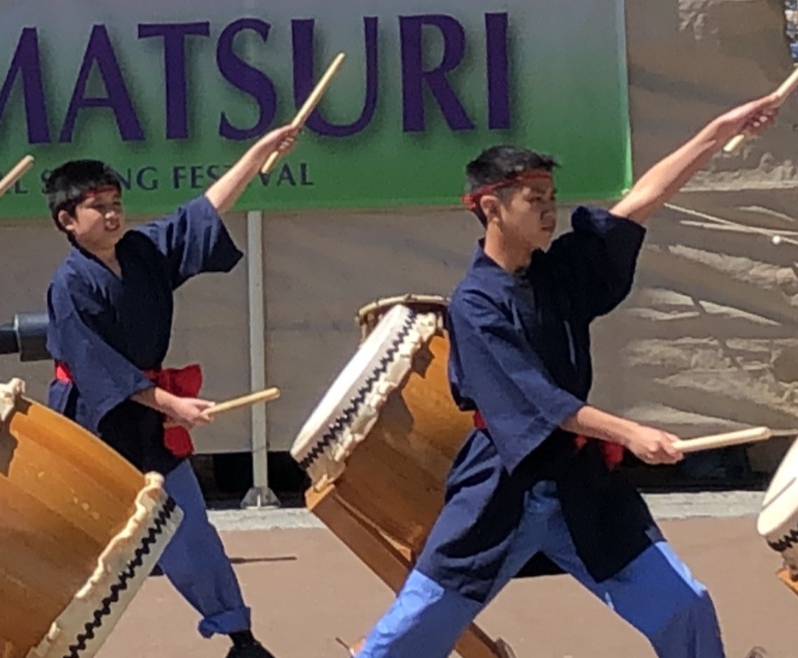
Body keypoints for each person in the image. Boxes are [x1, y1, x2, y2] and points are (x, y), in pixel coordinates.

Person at [352, 95, 784, 658]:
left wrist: (718, 129)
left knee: (685, 606)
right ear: (490, 207)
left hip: (582, 487)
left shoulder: (559, 273)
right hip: (500, 491)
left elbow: (641, 201)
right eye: (535, 200)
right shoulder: (475, 304)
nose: (550, 210)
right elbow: (540, 403)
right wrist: (629, 434)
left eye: (552, 198)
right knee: (409, 634)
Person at [42, 124, 300, 658]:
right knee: (72, 549)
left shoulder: (139, 252)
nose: (113, 214)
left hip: (145, 421)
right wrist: (170, 403)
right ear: (67, 221)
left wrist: (255, 156)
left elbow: (201, 213)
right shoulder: (68, 285)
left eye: (116, 202)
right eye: (97, 207)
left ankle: (240, 636)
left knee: (187, 528)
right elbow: (98, 370)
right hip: (91, 423)